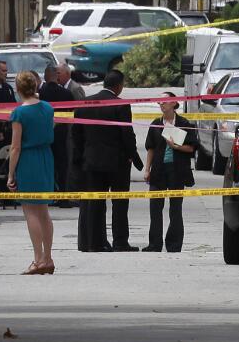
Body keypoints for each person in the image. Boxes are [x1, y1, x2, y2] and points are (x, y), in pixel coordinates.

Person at [70, 69, 142, 252]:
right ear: (119, 86)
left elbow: (76, 134)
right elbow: (127, 134)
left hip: (92, 161)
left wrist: (80, 156)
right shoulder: (121, 105)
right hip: (117, 162)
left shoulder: (86, 103)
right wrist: (134, 158)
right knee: (119, 203)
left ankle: (95, 241)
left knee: (96, 202)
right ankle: (120, 241)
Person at [8, 71, 57, 274]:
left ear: (18, 89)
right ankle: (48, 256)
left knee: (31, 211)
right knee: (43, 211)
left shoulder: (19, 113)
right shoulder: (48, 108)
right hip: (46, 157)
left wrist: (11, 174)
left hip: (28, 159)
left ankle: (37, 259)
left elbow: (15, 147)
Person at [143, 93, 198, 252]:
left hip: (177, 170)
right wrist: (147, 169)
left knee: (175, 209)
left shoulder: (184, 123)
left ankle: (174, 244)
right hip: (159, 170)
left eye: (165, 101)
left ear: (174, 103)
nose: (162, 104)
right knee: (155, 208)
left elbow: (192, 148)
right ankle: (154, 244)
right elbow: (151, 148)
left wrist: (176, 147)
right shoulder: (156, 124)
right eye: (159, 101)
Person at [38, 64, 74, 205]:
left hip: (43, 135)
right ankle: (63, 197)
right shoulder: (66, 94)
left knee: (45, 166)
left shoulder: (40, 94)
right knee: (62, 165)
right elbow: (72, 114)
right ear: (56, 76)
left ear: (46, 77)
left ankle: (46, 195)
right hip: (61, 135)